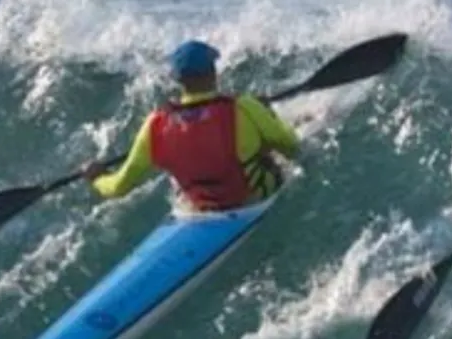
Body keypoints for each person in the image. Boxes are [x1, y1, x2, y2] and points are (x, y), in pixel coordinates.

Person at [81, 40, 300, 211]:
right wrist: (267, 115)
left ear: (178, 80)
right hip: (254, 198)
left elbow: (118, 187)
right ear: (212, 73)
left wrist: (97, 178)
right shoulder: (243, 107)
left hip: (201, 207)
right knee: (271, 140)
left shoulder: (156, 124)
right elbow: (291, 145)